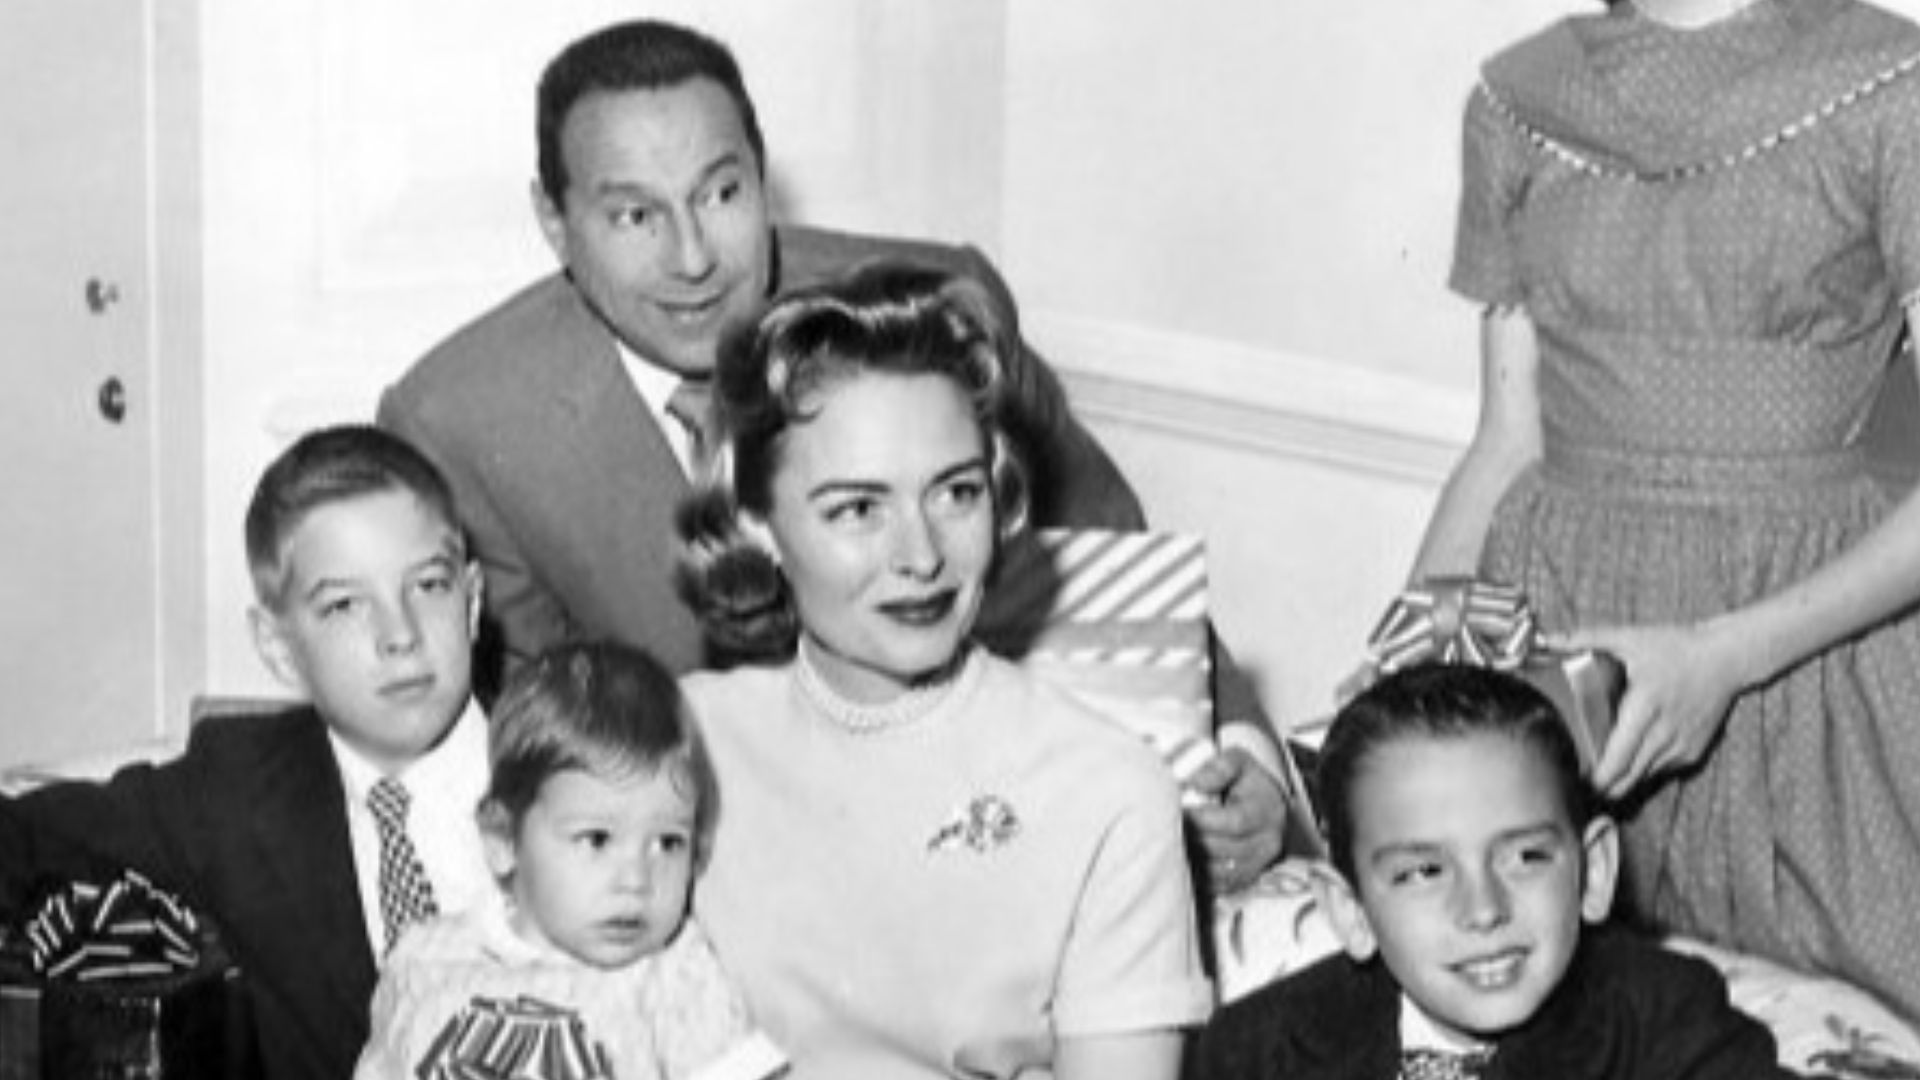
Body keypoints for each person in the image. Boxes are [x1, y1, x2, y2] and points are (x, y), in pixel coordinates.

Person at [374, 18, 1291, 894]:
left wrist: (1246, 766)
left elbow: (1113, 567)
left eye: (722, 193)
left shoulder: (935, 308)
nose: (693, 256)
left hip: (995, 822)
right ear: (553, 220)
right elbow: (538, 746)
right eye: (633, 217)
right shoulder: (460, 418)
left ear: (765, 178)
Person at [1407, 0, 1920, 1019]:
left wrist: (1723, 657)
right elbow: (1507, 443)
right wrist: (1403, 688)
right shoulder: (1517, 100)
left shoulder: (1891, 85)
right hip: (1564, 661)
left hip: (1813, 674)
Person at [674, 261, 1213, 1079]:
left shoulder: (1110, 793)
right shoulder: (683, 738)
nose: (921, 555)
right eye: (858, 508)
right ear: (758, 527)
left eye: (955, 493)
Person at [0, 425, 495, 1080]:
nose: (399, 635)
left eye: (428, 585)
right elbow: (23, 840)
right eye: (345, 604)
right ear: (278, 648)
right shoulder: (233, 790)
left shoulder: (594, 761)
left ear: (474, 600)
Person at [1191, 664, 1792, 1079]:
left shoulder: (1667, 1023)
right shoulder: (1257, 1053)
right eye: (1425, 872)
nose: (1483, 909)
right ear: (1351, 911)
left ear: (1595, 870)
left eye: (1525, 857)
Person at [355, 640, 783, 1080]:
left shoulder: (677, 980)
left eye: (667, 843)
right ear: (502, 838)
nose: (637, 879)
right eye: (597, 839)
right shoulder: (423, 961)